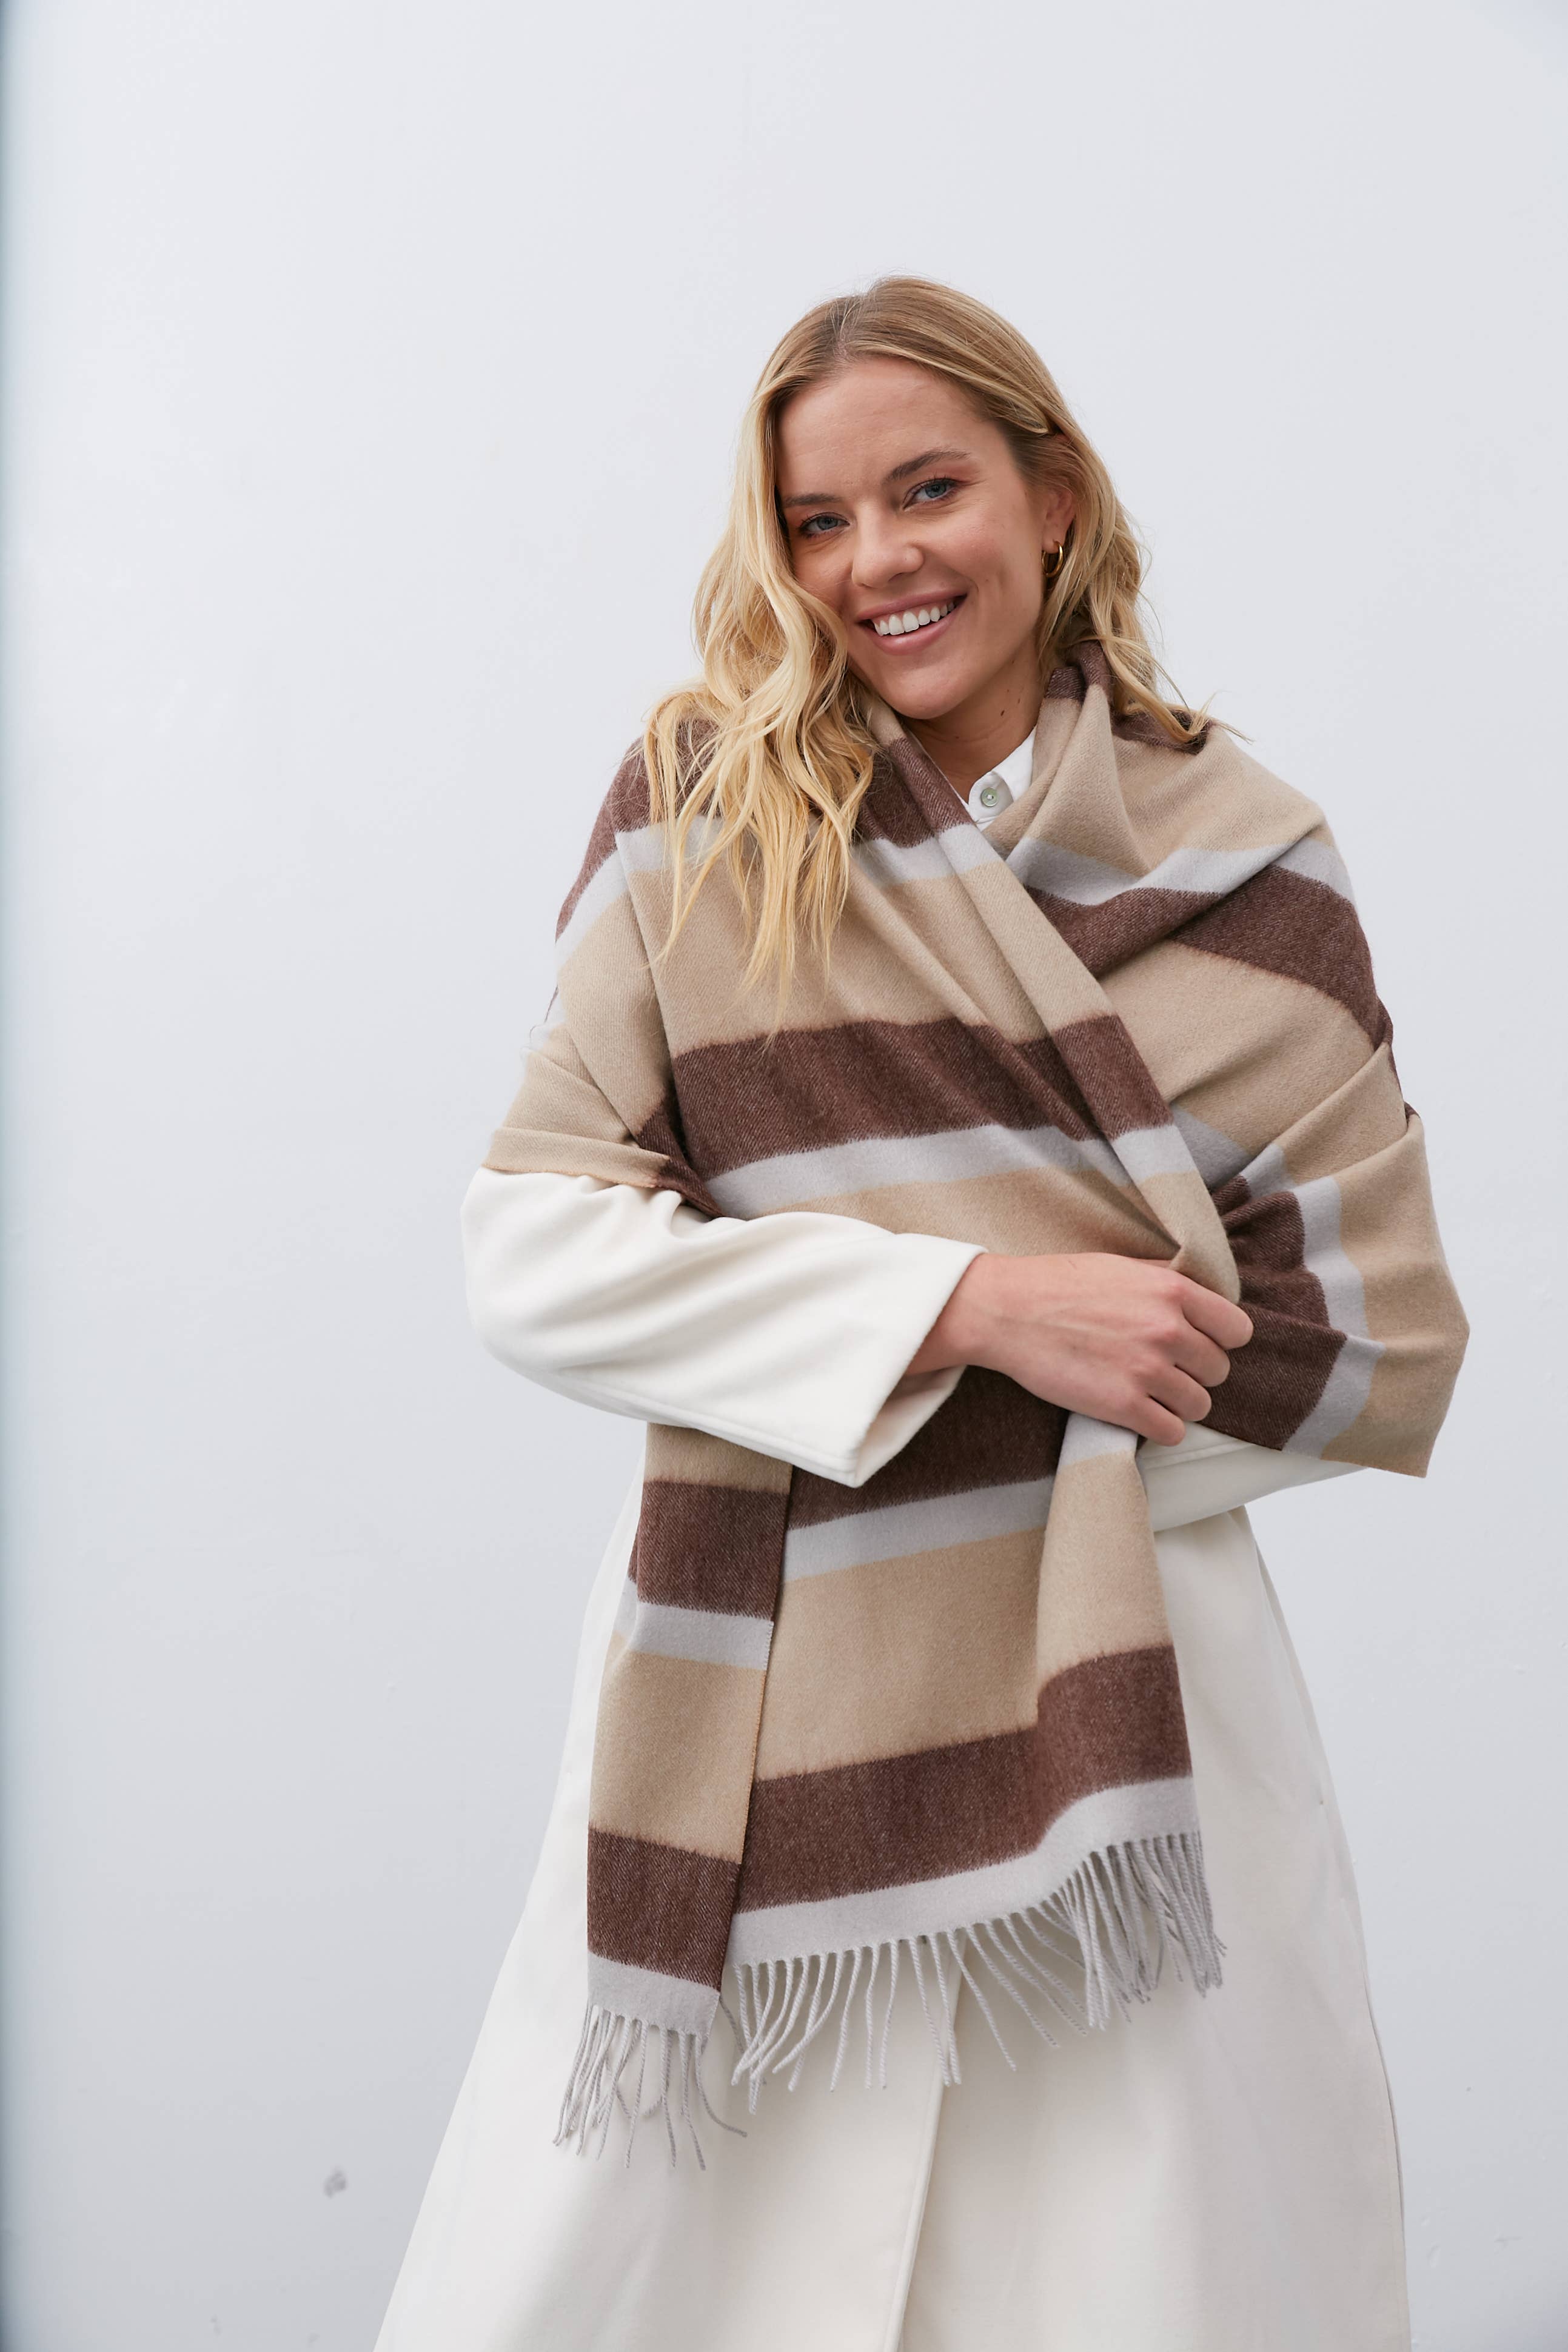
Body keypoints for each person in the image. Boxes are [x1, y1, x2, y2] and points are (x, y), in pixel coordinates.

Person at [375, 277, 1467, 2352]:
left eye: (928, 489)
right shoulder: (700, 819)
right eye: (815, 519)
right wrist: (964, 1306)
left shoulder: (1249, 858)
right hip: (745, 1706)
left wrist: (902, 1402)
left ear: (1051, 497)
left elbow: (1366, 1339)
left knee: (1131, 2279)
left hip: (1129, 1728)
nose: (874, 558)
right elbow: (529, 1249)